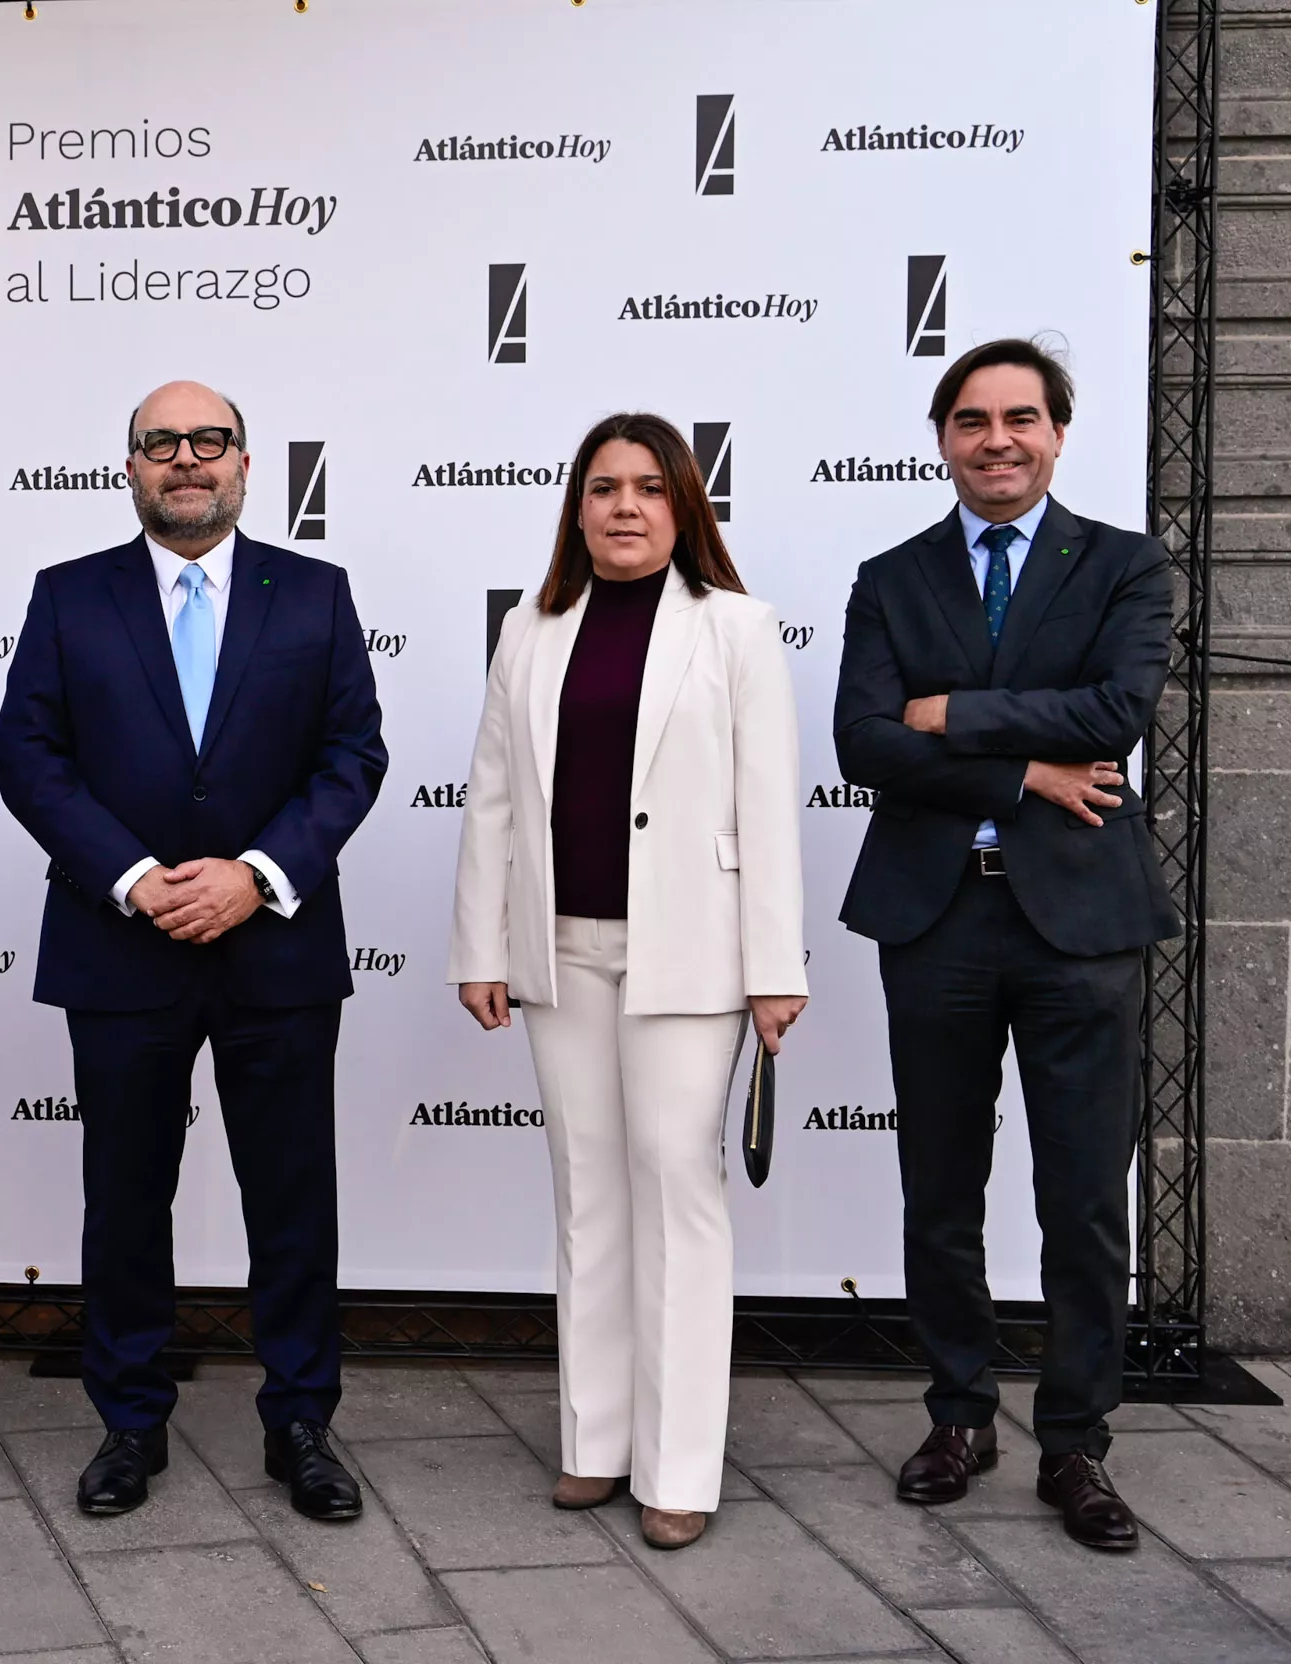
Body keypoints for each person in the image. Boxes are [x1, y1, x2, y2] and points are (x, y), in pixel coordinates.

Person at [0, 382, 387, 1522]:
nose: (184, 459)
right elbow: (29, 754)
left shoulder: (314, 593)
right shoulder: (69, 597)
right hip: (124, 945)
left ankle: (302, 1420)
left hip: (275, 947)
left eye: (206, 440)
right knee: (123, 1196)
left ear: (246, 463)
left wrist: (253, 877)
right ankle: (128, 1421)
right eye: (159, 443)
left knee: (291, 1196)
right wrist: (132, 879)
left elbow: (351, 754)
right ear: (129, 467)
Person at [834, 337, 1179, 1553]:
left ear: (1057, 433)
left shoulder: (1126, 565)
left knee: (1082, 1197)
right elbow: (867, 743)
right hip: (937, 918)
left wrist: (958, 716)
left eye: (1020, 418)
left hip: (1079, 924)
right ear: (941, 437)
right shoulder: (892, 575)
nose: (997, 439)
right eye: (972, 419)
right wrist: (1026, 764)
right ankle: (958, 1415)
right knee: (941, 1189)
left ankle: (1076, 1440)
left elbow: (1118, 711)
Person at [448, 413, 806, 1551]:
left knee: (674, 1184)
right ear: (575, 507)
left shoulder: (737, 628)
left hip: (692, 953)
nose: (623, 507)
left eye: (648, 487)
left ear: (683, 505)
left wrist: (773, 967)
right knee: (586, 1188)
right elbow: (492, 795)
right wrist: (481, 946)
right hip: (560, 951)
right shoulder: (533, 625)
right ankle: (594, 1443)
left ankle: (679, 1462)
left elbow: (768, 804)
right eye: (602, 487)